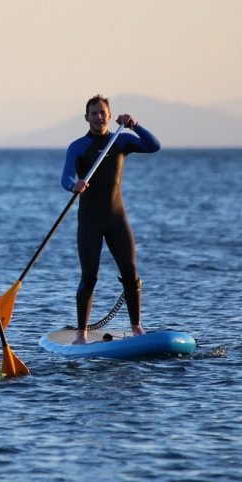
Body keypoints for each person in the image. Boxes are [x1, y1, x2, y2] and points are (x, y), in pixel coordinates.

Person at [60, 95, 161, 344]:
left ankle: (136, 327)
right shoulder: (78, 146)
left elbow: (153, 146)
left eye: (102, 112)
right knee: (90, 276)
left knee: (130, 271)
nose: (99, 117)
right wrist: (75, 186)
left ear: (109, 115)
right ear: (87, 117)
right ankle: (82, 333)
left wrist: (134, 125)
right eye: (93, 113)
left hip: (116, 218)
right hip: (89, 221)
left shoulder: (121, 140)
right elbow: (65, 177)